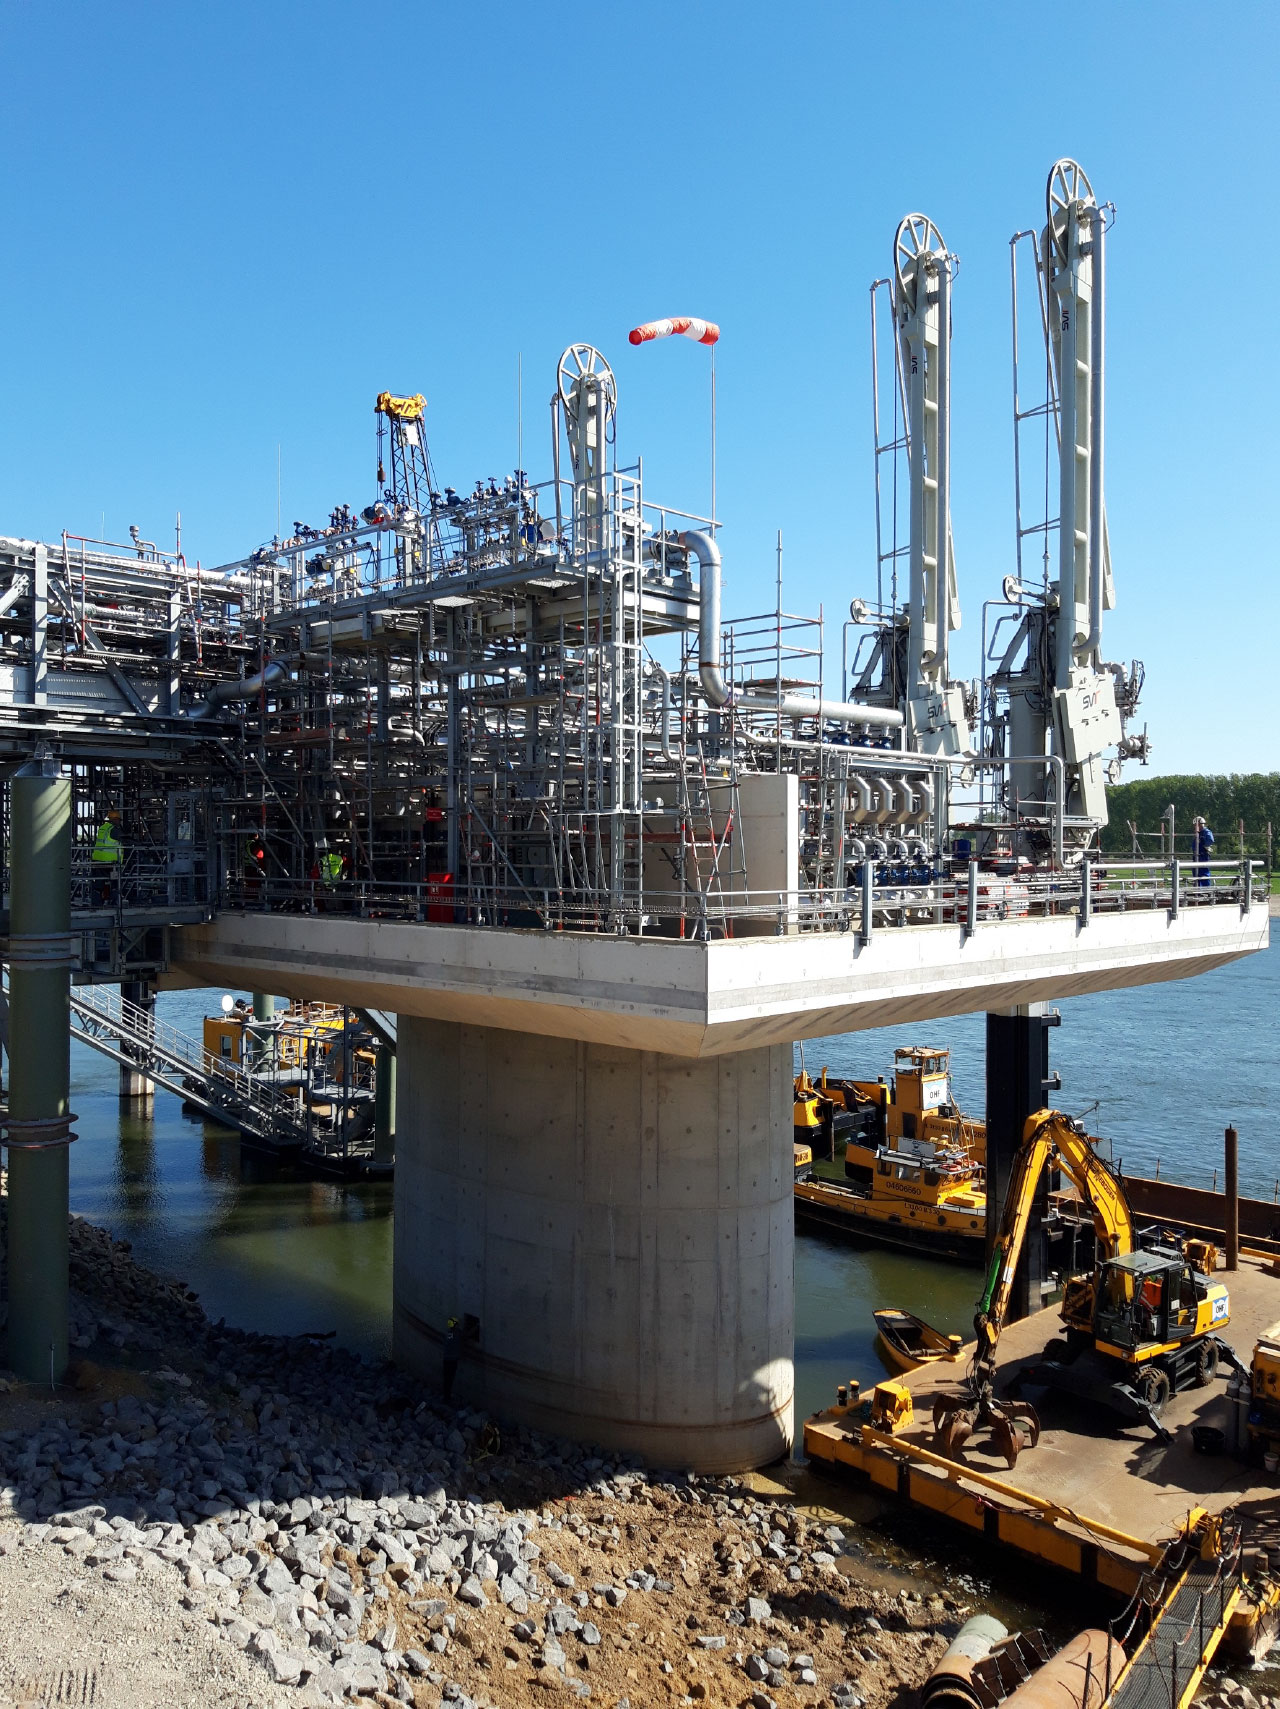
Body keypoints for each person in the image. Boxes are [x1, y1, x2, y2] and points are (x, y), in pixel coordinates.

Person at [91, 809, 123, 903]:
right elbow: (124, 839)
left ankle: (96, 903)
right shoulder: (113, 830)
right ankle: (114, 902)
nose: (119, 822)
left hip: (98, 860)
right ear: (114, 819)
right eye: (118, 820)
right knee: (115, 882)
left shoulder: (103, 828)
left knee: (99, 882)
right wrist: (138, 843)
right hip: (110, 862)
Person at [1191, 816, 1215, 890]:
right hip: (1196, 855)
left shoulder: (1206, 832)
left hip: (1203, 855)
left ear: (1200, 824)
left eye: (1196, 825)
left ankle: (1206, 890)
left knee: (1204, 873)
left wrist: (1205, 845)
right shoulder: (1198, 833)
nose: (1195, 826)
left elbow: (1210, 840)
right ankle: (1197, 889)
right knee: (1196, 873)